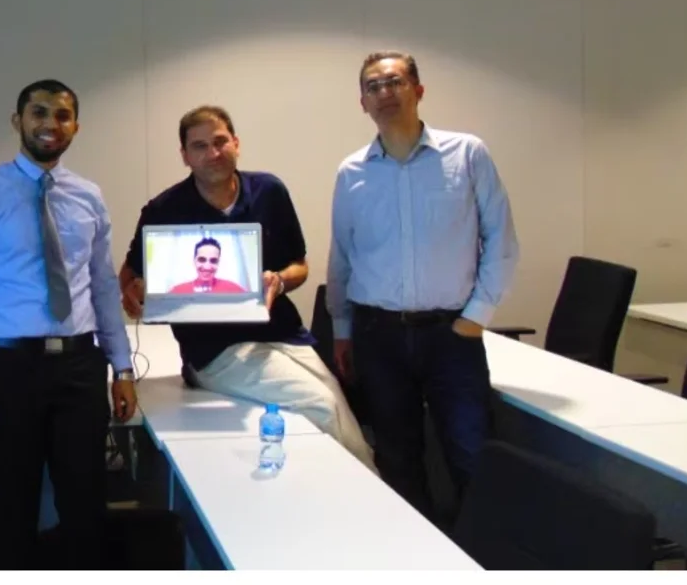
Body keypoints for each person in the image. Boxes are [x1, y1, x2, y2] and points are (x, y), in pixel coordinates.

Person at [0, 78, 137, 569]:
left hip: (79, 365)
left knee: (85, 497)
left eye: (62, 115)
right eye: (39, 113)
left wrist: (123, 367)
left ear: (76, 127)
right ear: (18, 121)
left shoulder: (88, 196)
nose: (51, 124)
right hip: (9, 367)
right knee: (12, 498)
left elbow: (103, 286)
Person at [119, 105, 373, 468]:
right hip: (215, 350)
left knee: (338, 400)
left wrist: (279, 281)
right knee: (321, 404)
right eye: (200, 146)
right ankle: (366, 485)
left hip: (282, 333)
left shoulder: (269, 191)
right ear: (185, 156)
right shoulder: (164, 209)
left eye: (220, 141)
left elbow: (300, 266)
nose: (213, 153)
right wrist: (134, 293)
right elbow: (128, 276)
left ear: (236, 143)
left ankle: (364, 480)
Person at [326, 51, 519, 520]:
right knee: (397, 457)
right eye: (373, 86)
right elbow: (343, 256)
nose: (384, 93)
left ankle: (482, 552)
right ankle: (416, 552)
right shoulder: (352, 172)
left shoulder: (467, 154)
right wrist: (342, 330)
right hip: (379, 336)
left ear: (418, 90)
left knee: (471, 452)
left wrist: (477, 317)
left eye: (394, 81)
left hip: (451, 334)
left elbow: (501, 239)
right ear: (362, 102)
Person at [168, 237, 247, 294]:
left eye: (213, 261)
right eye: (202, 260)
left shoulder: (233, 289)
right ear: (194, 261)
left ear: (218, 262)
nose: (207, 267)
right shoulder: (177, 291)